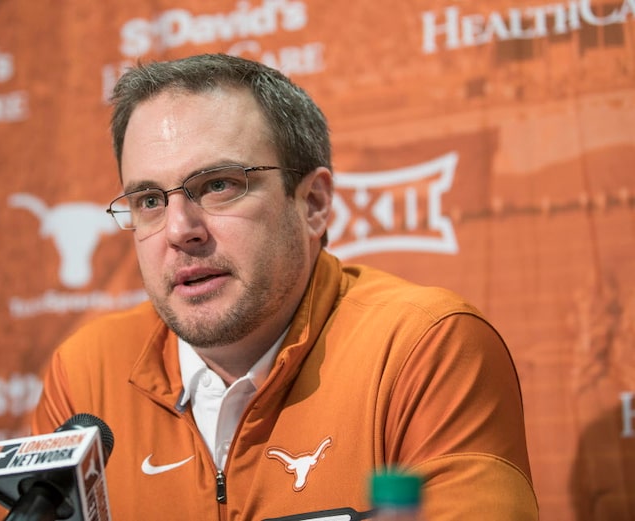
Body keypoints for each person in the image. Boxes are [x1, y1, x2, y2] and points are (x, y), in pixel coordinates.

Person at [30, 53, 538, 521]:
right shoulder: (86, 376)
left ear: (313, 202)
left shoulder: (422, 349)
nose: (179, 229)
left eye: (218, 185)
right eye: (148, 200)